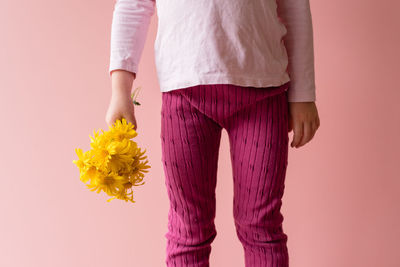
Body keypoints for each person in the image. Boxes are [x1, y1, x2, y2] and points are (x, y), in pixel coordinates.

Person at [105, 0, 320, 266]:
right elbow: (132, 6)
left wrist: (303, 94)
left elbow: (295, 6)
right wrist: (120, 90)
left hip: (264, 88)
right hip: (184, 91)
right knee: (188, 230)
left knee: (262, 227)